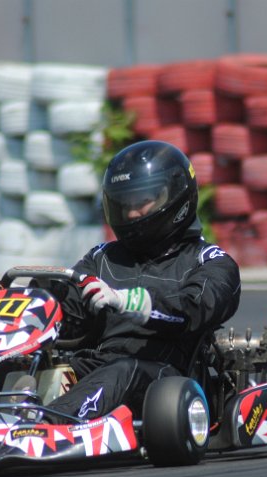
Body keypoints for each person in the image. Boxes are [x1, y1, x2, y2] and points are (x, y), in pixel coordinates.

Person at [47, 140, 241, 421]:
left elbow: (194, 308)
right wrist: (36, 300)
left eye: (142, 202)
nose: (132, 213)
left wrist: (132, 301)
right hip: (99, 367)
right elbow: (69, 305)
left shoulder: (210, 261)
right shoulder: (102, 258)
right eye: (125, 203)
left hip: (168, 380)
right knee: (36, 366)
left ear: (176, 196)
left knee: (122, 371)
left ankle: (48, 425)